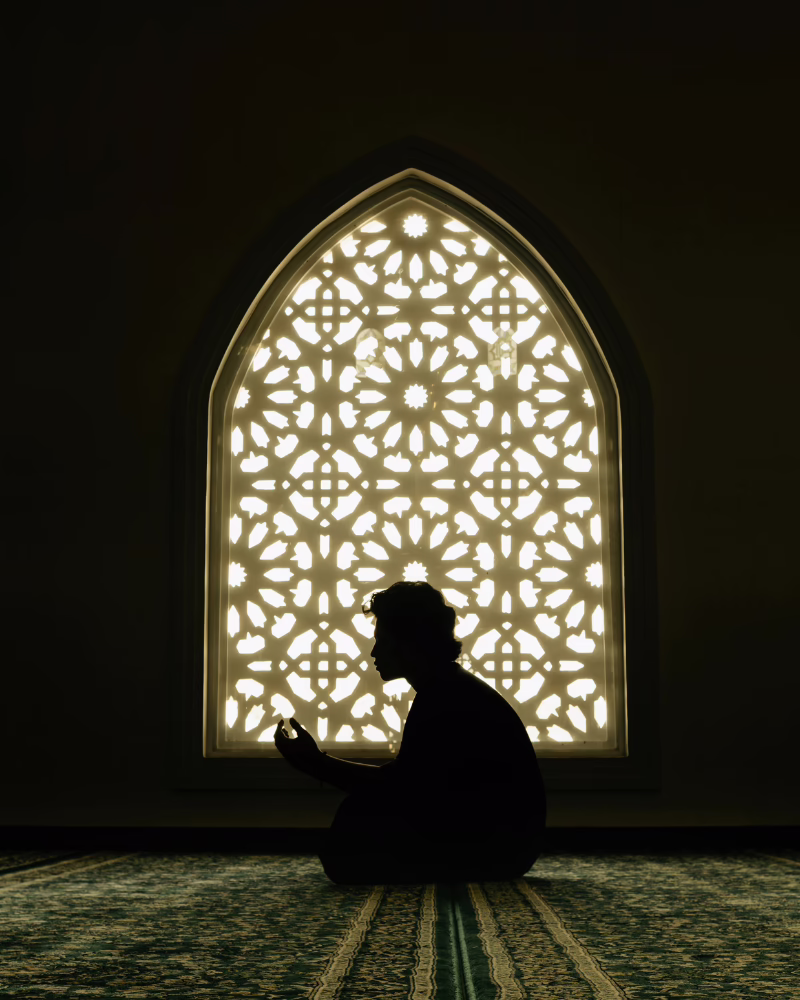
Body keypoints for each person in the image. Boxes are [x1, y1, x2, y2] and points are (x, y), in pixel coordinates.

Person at [274, 581, 547, 884]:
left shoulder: (447, 696)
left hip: (497, 851)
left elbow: (400, 787)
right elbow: (412, 784)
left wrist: (315, 762)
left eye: (382, 640)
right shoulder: (448, 688)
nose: (374, 652)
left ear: (410, 642)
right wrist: (316, 762)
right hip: (507, 847)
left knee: (359, 817)